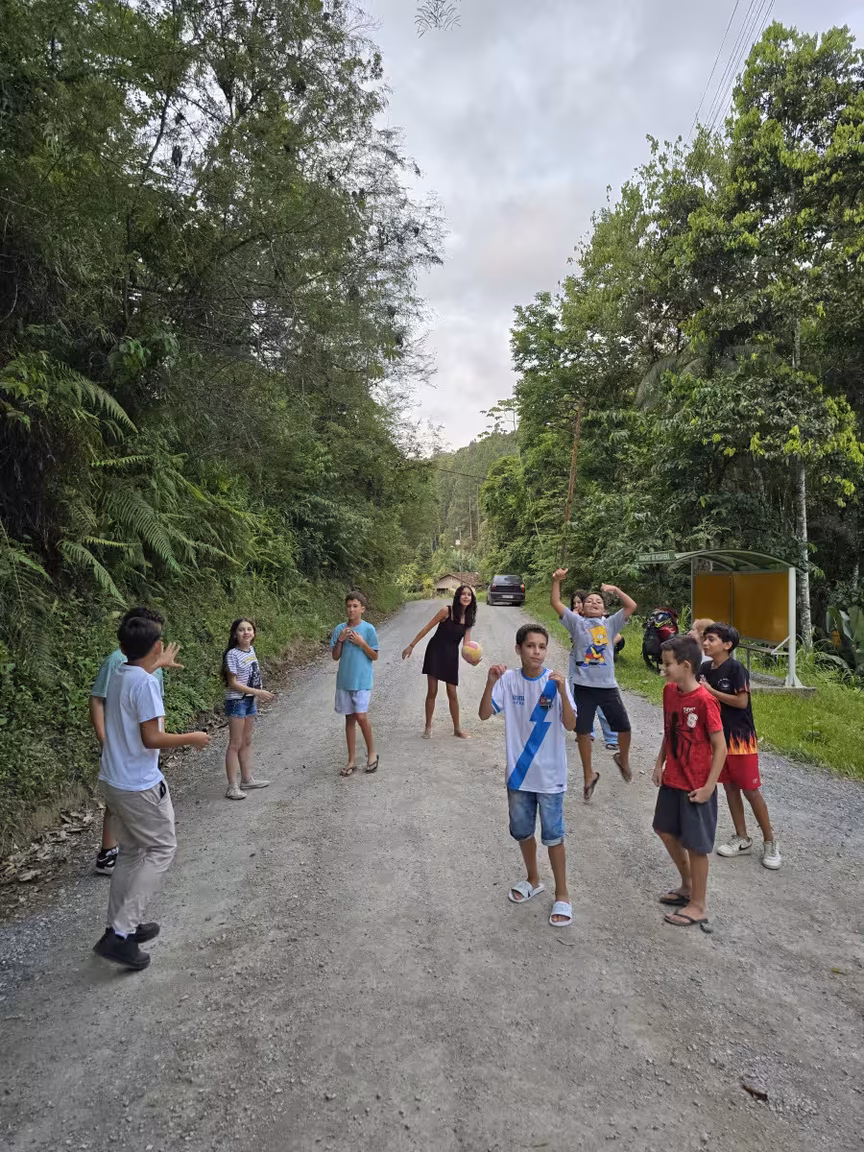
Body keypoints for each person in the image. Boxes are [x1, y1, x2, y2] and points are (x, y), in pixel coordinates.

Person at [92, 616, 210, 970]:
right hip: (139, 785)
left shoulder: (119, 672)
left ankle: (118, 925)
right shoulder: (146, 684)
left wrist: (156, 664)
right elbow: (152, 738)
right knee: (162, 849)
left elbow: (137, 678)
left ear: (122, 648)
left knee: (130, 852)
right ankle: (121, 934)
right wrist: (193, 738)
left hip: (113, 780)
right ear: (157, 646)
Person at [479, 623, 577, 927]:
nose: (537, 652)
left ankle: (563, 894)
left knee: (553, 836)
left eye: (542, 647)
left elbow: (571, 724)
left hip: (550, 776)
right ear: (518, 649)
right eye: (531, 646)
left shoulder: (555, 682)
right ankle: (533, 879)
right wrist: (490, 682)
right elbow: (484, 714)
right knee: (523, 832)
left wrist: (562, 691)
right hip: (519, 775)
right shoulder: (508, 680)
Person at [89, 606, 183, 876]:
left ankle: (128, 850)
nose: (157, 641)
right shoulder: (116, 661)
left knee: (129, 796)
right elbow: (97, 699)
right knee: (122, 796)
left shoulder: (150, 662)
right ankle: (110, 852)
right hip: (126, 742)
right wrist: (104, 738)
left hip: (143, 743)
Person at [652, 635, 726, 929]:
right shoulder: (669, 691)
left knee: (696, 846)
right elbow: (669, 731)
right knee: (664, 829)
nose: (663, 668)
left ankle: (698, 905)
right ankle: (687, 885)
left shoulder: (706, 701)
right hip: (673, 778)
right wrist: (659, 763)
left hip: (697, 785)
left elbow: (720, 747)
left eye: (667, 664)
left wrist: (709, 787)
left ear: (685, 665)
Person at [700, 623, 781, 869]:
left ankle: (770, 842)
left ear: (727, 645)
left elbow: (741, 702)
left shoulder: (736, 669)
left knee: (750, 790)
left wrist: (711, 691)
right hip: (718, 739)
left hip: (740, 740)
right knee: (730, 788)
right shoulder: (704, 668)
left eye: (711, 639)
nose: (705, 643)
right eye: (705, 638)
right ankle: (742, 837)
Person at [551, 570, 636, 802]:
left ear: (605, 609)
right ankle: (588, 774)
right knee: (583, 732)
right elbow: (555, 602)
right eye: (589, 601)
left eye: (598, 601)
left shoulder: (610, 624)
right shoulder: (576, 623)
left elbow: (631, 606)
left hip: (607, 686)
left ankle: (623, 759)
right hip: (584, 686)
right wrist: (556, 581)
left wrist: (615, 590)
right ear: (582, 608)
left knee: (624, 727)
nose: (594, 603)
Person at [401, 585, 476, 739]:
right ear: (458, 596)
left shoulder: (469, 620)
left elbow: (466, 646)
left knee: (452, 692)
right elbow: (426, 628)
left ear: (472, 599)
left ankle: (457, 729)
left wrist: (472, 660)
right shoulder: (446, 611)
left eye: (469, 595)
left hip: (451, 655)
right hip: (435, 651)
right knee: (432, 691)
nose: (466, 597)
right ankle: (428, 727)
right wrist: (411, 645)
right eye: (463, 594)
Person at [222, 618, 275, 800]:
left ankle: (247, 779)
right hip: (237, 701)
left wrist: (256, 693)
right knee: (235, 744)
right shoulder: (232, 654)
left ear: (254, 633)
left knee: (246, 741)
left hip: (250, 700)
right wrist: (257, 692)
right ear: (234, 634)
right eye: (241, 629)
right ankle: (232, 786)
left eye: (249, 629)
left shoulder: (251, 650)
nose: (246, 632)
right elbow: (232, 683)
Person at [331, 590, 379, 776]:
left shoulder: (368, 629)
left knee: (361, 716)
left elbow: (374, 655)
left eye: (355, 606)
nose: (351, 609)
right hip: (345, 681)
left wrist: (361, 643)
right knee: (349, 718)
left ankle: (372, 753)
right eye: (348, 606)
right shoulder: (339, 629)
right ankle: (351, 759)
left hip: (362, 681)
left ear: (362, 609)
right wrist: (340, 640)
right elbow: (335, 656)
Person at [569, 589, 618, 751]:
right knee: (579, 697)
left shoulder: (601, 620)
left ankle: (612, 736)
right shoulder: (578, 621)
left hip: (597, 665)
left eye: (579, 602)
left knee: (602, 703)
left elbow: (617, 636)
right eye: (574, 603)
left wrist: (603, 647)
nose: (576, 606)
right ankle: (587, 731)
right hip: (578, 661)